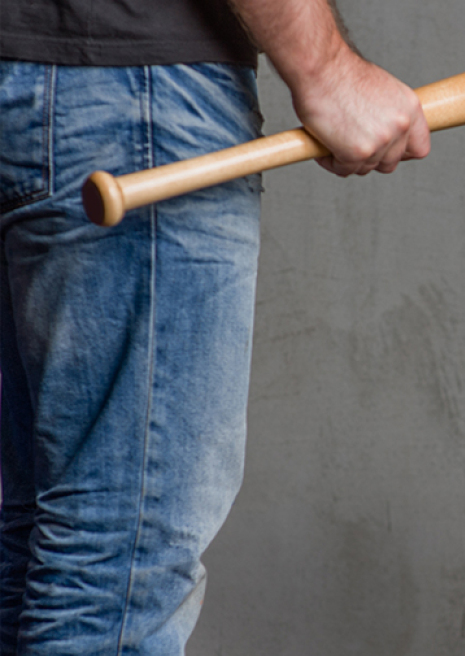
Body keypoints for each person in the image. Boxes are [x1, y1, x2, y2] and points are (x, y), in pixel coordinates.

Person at [0, 0, 430, 653]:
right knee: (117, 560)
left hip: (36, 82)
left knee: (33, 544)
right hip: (131, 94)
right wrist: (328, 71)